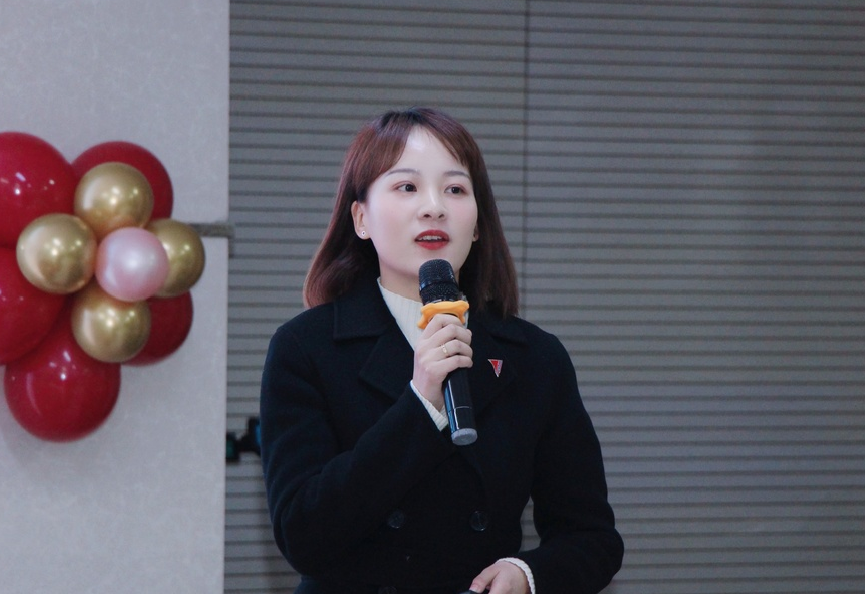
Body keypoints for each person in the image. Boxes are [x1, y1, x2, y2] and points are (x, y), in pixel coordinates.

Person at [260, 107, 623, 594]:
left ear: (477, 225)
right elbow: (302, 534)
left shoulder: (535, 357)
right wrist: (421, 402)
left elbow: (593, 539)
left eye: (454, 189)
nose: (434, 207)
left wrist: (528, 574)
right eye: (407, 186)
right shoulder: (305, 349)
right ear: (361, 219)